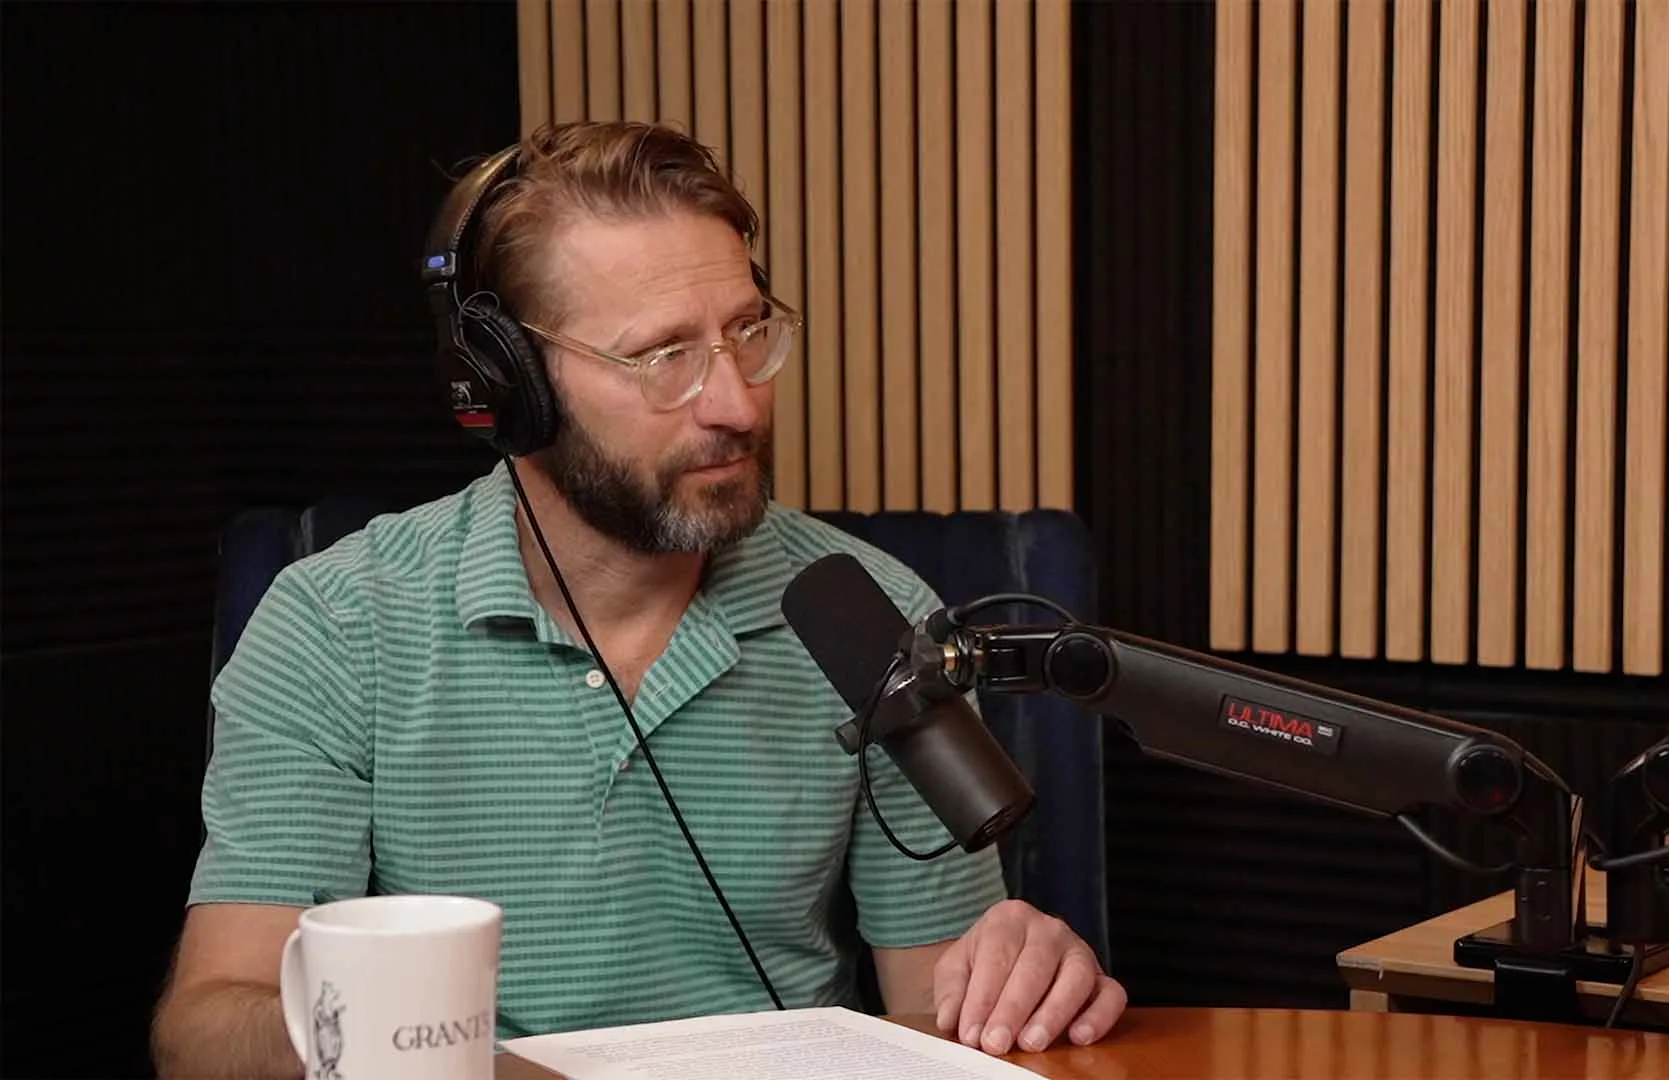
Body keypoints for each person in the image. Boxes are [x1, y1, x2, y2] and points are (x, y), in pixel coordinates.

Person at [150, 120, 1125, 1079]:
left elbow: (942, 1020)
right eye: (664, 356)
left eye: (747, 332)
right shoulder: (334, 625)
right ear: (508, 385)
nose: (737, 404)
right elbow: (207, 1033)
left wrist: (1016, 988)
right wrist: (424, 1046)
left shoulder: (869, 617)